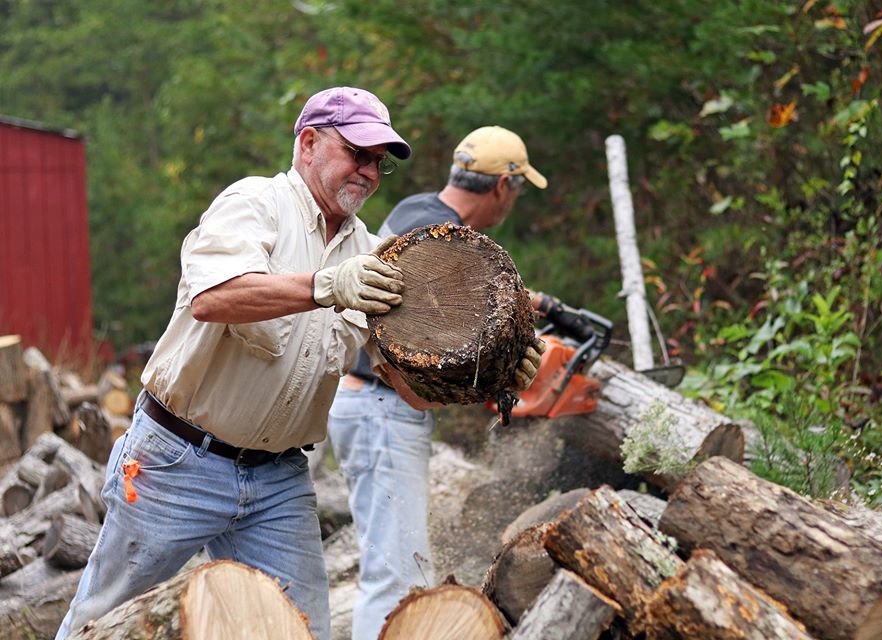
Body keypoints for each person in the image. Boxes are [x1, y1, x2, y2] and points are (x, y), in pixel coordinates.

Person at [55, 90, 544, 640]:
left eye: (378, 161)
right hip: (178, 462)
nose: (368, 170)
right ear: (308, 142)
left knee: (303, 630)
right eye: (357, 152)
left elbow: (408, 387)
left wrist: (491, 377)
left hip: (278, 480)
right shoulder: (254, 205)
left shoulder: (376, 253)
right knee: (101, 620)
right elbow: (214, 298)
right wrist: (325, 284)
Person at [326, 125, 548, 640]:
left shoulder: (423, 217)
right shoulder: (433, 232)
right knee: (396, 574)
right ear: (502, 186)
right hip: (380, 405)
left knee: (401, 567)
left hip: (384, 405)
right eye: (515, 192)